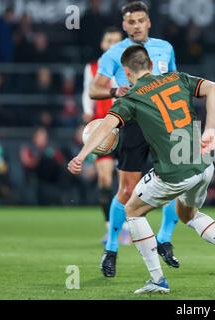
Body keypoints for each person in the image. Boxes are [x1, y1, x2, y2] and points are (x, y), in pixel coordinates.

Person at [68, 45, 215, 295]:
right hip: (203, 165)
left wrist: (82, 155)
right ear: (149, 63)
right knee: (188, 215)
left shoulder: (132, 97)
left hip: (173, 173)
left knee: (132, 211)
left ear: (126, 71)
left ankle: (157, 279)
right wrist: (210, 129)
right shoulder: (175, 77)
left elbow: (105, 127)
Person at [89, 1, 180, 276]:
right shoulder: (114, 53)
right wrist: (116, 90)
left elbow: (175, 81)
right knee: (127, 190)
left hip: (166, 125)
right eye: (131, 21)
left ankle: (164, 239)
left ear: (149, 22)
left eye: (141, 20)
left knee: (176, 182)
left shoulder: (165, 47)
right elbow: (95, 89)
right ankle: (112, 248)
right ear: (124, 25)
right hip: (133, 125)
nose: (137, 25)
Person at [83, 26, 124, 245]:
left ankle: (126, 225)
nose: (112, 45)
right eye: (109, 41)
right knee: (105, 179)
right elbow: (86, 97)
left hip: (126, 128)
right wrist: (88, 119)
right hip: (103, 130)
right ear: (102, 44)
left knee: (126, 182)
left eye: (117, 41)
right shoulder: (92, 68)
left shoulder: (128, 66)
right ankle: (110, 227)